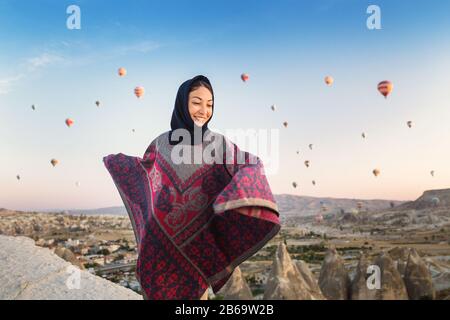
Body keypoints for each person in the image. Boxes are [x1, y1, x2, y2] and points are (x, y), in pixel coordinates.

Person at [103, 75, 280, 300]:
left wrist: (235, 195)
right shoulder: (161, 143)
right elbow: (145, 175)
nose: (203, 110)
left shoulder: (218, 144)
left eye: (210, 105)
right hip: (159, 246)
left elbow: (249, 163)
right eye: (197, 102)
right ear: (182, 103)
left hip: (198, 246)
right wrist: (117, 163)